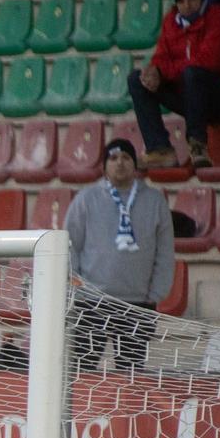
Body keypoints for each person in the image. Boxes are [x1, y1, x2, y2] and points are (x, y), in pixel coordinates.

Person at [64, 138, 174, 372]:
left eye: (126, 158)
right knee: (82, 371)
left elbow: (164, 251)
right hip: (92, 302)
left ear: (135, 164)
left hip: (137, 303)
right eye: (113, 159)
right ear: (104, 166)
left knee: (131, 374)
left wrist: (155, 294)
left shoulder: (155, 201)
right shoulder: (86, 200)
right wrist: (78, 286)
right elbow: (70, 245)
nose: (120, 163)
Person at [131, 0, 220, 171]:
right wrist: (154, 73)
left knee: (193, 74)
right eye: (182, 0)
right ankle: (160, 149)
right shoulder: (171, 22)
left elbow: (208, 61)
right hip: (193, 99)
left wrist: (163, 72)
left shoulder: (219, 16)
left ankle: (198, 145)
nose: (187, 5)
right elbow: (160, 57)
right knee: (137, 80)